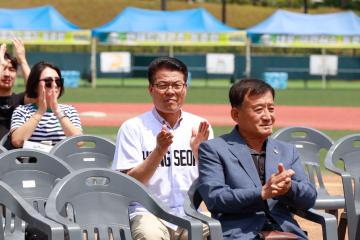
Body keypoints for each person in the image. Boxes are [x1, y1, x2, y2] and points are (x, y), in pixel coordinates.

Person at [197, 79, 317, 240]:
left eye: (271, 108)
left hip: (285, 233)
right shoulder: (214, 149)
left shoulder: (287, 150)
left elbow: (309, 198)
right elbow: (215, 199)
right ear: (236, 115)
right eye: (258, 109)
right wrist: (261, 193)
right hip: (239, 234)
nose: (267, 117)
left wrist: (289, 188)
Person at [112, 56, 213, 240]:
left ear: (185, 88)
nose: (170, 91)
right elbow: (129, 184)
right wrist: (159, 151)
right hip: (149, 213)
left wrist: (199, 154)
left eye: (177, 85)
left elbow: (213, 181)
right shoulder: (133, 127)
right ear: (151, 89)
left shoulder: (200, 126)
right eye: (163, 85)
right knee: (148, 235)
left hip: (191, 211)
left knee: (217, 229)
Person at [10, 61, 82, 148]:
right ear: (35, 86)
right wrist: (40, 112)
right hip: (33, 161)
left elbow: (79, 142)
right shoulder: (22, 111)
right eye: (48, 82)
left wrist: (58, 112)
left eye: (58, 81)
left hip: (62, 161)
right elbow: (17, 141)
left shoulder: (70, 110)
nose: (54, 85)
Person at [0, 39, 31, 140]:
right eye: (3, 69)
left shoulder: (20, 100)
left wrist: (22, 60)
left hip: (16, 155)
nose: (7, 74)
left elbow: (35, 90)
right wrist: (1, 64)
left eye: (12, 70)